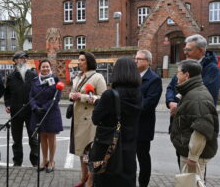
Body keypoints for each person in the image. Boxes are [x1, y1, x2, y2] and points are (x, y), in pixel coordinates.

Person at [166, 34, 220, 168]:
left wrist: (178, 106)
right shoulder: (184, 66)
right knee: (183, 168)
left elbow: (204, 97)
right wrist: (170, 102)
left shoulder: (211, 69)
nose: (185, 52)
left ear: (201, 50)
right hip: (180, 126)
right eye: (184, 49)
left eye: (188, 50)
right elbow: (171, 87)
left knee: (195, 172)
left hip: (194, 125)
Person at [92, 56, 142, 187]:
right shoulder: (138, 93)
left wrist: (98, 103)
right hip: (130, 146)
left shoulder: (110, 94)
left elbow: (95, 119)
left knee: (108, 180)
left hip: (110, 147)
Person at [170, 59, 219, 182]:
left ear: (186, 75)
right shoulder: (192, 92)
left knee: (190, 184)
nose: (176, 75)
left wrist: (193, 156)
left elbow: (201, 129)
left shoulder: (197, 97)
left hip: (193, 156)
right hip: (190, 153)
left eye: (178, 72)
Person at [69, 51, 107, 187]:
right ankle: (83, 176)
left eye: (82, 60)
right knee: (81, 150)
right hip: (78, 118)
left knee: (90, 152)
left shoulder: (97, 77)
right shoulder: (78, 77)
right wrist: (71, 96)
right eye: (78, 60)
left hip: (90, 120)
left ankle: (91, 180)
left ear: (89, 61)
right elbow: (73, 92)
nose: (79, 62)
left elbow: (103, 98)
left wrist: (82, 97)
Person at [4, 51, 38, 167]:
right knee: (16, 140)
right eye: (19, 58)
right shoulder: (11, 77)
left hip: (30, 112)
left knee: (33, 139)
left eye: (24, 58)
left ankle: (35, 162)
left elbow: (37, 93)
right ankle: (17, 162)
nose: (22, 60)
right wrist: (7, 104)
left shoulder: (33, 75)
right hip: (16, 111)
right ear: (15, 61)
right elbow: (7, 94)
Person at [134, 50, 162, 187]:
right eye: (135, 58)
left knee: (143, 157)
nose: (136, 61)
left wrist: (129, 106)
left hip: (143, 126)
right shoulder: (132, 76)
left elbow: (149, 103)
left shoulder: (154, 79)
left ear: (148, 61)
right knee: (128, 157)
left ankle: (143, 184)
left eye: (139, 58)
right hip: (129, 124)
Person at [29, 59, 63, 173]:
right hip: (38, 112)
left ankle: (52, 161)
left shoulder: (55, 79)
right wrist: (35, 107)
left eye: (47, 66)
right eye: (43, 67)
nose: (45, 68)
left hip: (51, 112)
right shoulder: (34, 81)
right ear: (39, 68)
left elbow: (57, 97)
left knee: (51, 138)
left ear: (50, 68)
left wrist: (44, 108)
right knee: (42, 137)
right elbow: (31, 96)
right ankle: (44, 160)